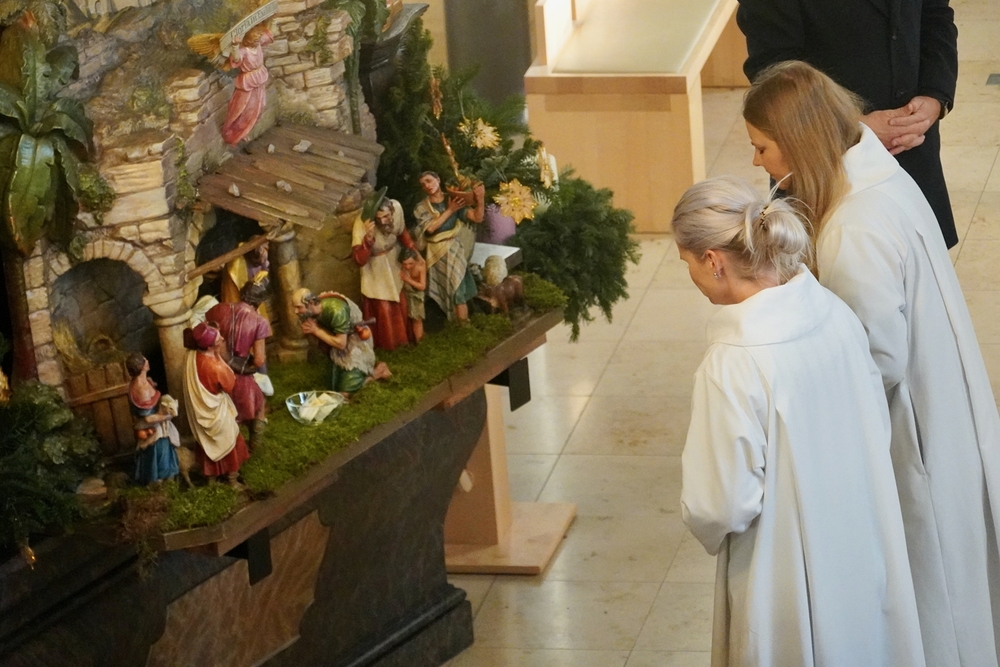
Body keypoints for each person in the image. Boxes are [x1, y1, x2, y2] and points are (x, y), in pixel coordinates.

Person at [744, 60, 1000, 667]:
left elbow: (874, 359)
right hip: (945, 407)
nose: (756, 162)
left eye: (762, 147)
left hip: (914, 435)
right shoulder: (877, 174)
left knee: (932, 597)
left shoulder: (853, 228)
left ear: (800, 143)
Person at [674, 175, 924, 667]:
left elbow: (720, 504)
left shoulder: (733, 362)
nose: (691, 278)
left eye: (687, 263)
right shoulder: (830, 309)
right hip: (858, 537)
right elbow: (873, 414)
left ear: (713, 260)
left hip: (782, 571)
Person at [735, 0, 959, 247]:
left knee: (923, 262)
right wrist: (849, 125)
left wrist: (935, 96)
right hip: (823, 164)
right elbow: (773, 69)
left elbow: (935, 14)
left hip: (914, 152)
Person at [205, 279, 272, 448]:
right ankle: (253, 445)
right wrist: (248, 364)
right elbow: (259, 359)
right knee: (258, 406)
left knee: (225, 410)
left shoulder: (219, 309)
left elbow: (207, 326)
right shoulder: (260, 322)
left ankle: (230, 446)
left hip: (215, 368)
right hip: (239, 375)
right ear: (260, 301)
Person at [182, 321, 250, 487]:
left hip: (203, 411)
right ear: (211, 346)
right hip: (215, 412)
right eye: (219, 339)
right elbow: (229, 384)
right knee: (230, 441)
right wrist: (219, 357)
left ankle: (211, 478)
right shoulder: (214, 367)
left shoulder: (192, 355)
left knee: (209, 444)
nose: (222, 339)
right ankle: (232, 480)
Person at [412, 171, 485, 321]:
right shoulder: (421, 207)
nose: (427, 186)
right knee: (451, 289)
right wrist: (450, 210)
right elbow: (431, 228)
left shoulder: (453, 198)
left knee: (459, 289)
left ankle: (463, 325)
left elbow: (476, 217)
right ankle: (458, 323)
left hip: (454, 249)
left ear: (438, 179)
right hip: (437, 252)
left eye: (429, 181)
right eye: (423, 184)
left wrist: (480, 199)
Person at [291, 288, 390, 396]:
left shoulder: (337, 311)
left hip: (355, 342)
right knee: (333, 385)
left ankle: (378, 372)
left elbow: (341, 344)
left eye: (299, 307)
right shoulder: (311, 312)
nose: (296, 311)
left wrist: (316, 330)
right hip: (337, 342)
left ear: (310, 303)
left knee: (345, 393)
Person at [351, 198, 419, 350]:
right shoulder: (361, 223)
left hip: (394, 261)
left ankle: (405, 341)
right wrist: (368, 240)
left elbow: (402, 233)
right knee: (384, 308)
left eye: (386, 216)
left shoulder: (397, 208)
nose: (382, 221)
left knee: (402, 302)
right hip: (375, 269)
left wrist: (416, 254)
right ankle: (389, 346)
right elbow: (359, 259)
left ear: (392, 211)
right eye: (378, 218)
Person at [125, 353, 180, 486]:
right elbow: (148, 419)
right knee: (159, 455)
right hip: (154, 429)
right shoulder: (141, 389)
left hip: (160, 424)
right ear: (141, 366)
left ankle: (167, 483)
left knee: (165, 453)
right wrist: (168, 416)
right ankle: (158, 484)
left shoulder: (147, 381)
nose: (147, 361)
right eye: (145, 360)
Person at [221, 22, 274, 146]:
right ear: (249, 40)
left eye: (258, 39)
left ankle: (245, 130)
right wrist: (235, 46)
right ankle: (235, 132)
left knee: (260, 106)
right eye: (255, 40)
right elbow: (236, 59)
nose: (258, 41)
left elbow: (269, 35)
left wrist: (267, 20)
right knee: (243, 108)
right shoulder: (244, 50)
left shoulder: (258, 44)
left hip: (259, 78)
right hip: (248, 81)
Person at [398, 247, 426, 343]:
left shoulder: (420, 267)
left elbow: (422, 286)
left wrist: (407, 279)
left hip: (416, 296)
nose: (408, 267)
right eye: (405, 264)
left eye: (411, 263)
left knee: (417, 319)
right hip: (406, 294)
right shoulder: (401, 267)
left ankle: (419, 342)